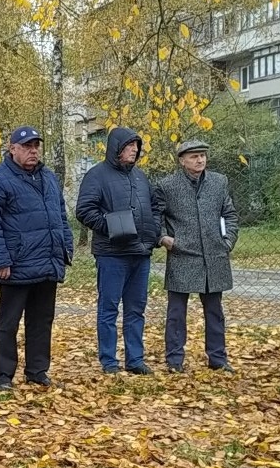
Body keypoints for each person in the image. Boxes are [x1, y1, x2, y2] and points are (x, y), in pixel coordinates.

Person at [0, 126, 74, 391]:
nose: (33, 151)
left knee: (42, 321)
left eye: (36, 146)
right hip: (16, 265)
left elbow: (60, 216)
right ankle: (3, 376)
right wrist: (0, 260)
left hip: (47, 262)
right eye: (27, 146)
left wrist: (65, 248)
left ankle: (37, 371)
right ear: (13, 149)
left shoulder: (48, 177)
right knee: (8, 323)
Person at [74, 127, 160, 375]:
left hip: (140, 253)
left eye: (136, 146)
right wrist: (112, 227)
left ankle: (135, 360)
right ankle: (109, 362)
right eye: (129, 145)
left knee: (136, 310)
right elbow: (84, 210)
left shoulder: (140, 177)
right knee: (108, 309)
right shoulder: (96, 175)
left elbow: (154, 207)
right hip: (111, 254)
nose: (134, 150)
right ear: (116, 148)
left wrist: (153, 230)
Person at [152, 140, 239, 374]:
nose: (200, 160)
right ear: (182, 160)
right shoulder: (167, 185)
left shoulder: (219, 182)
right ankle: (174, 360)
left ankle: (218, 358)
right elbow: (156, 216)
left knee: (214, 311)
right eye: (194, 156)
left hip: (214, 255)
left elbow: (229, 214)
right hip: (182, 255)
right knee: (176, 313)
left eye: (202, 155)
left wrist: (227, 241)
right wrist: (164, 238)